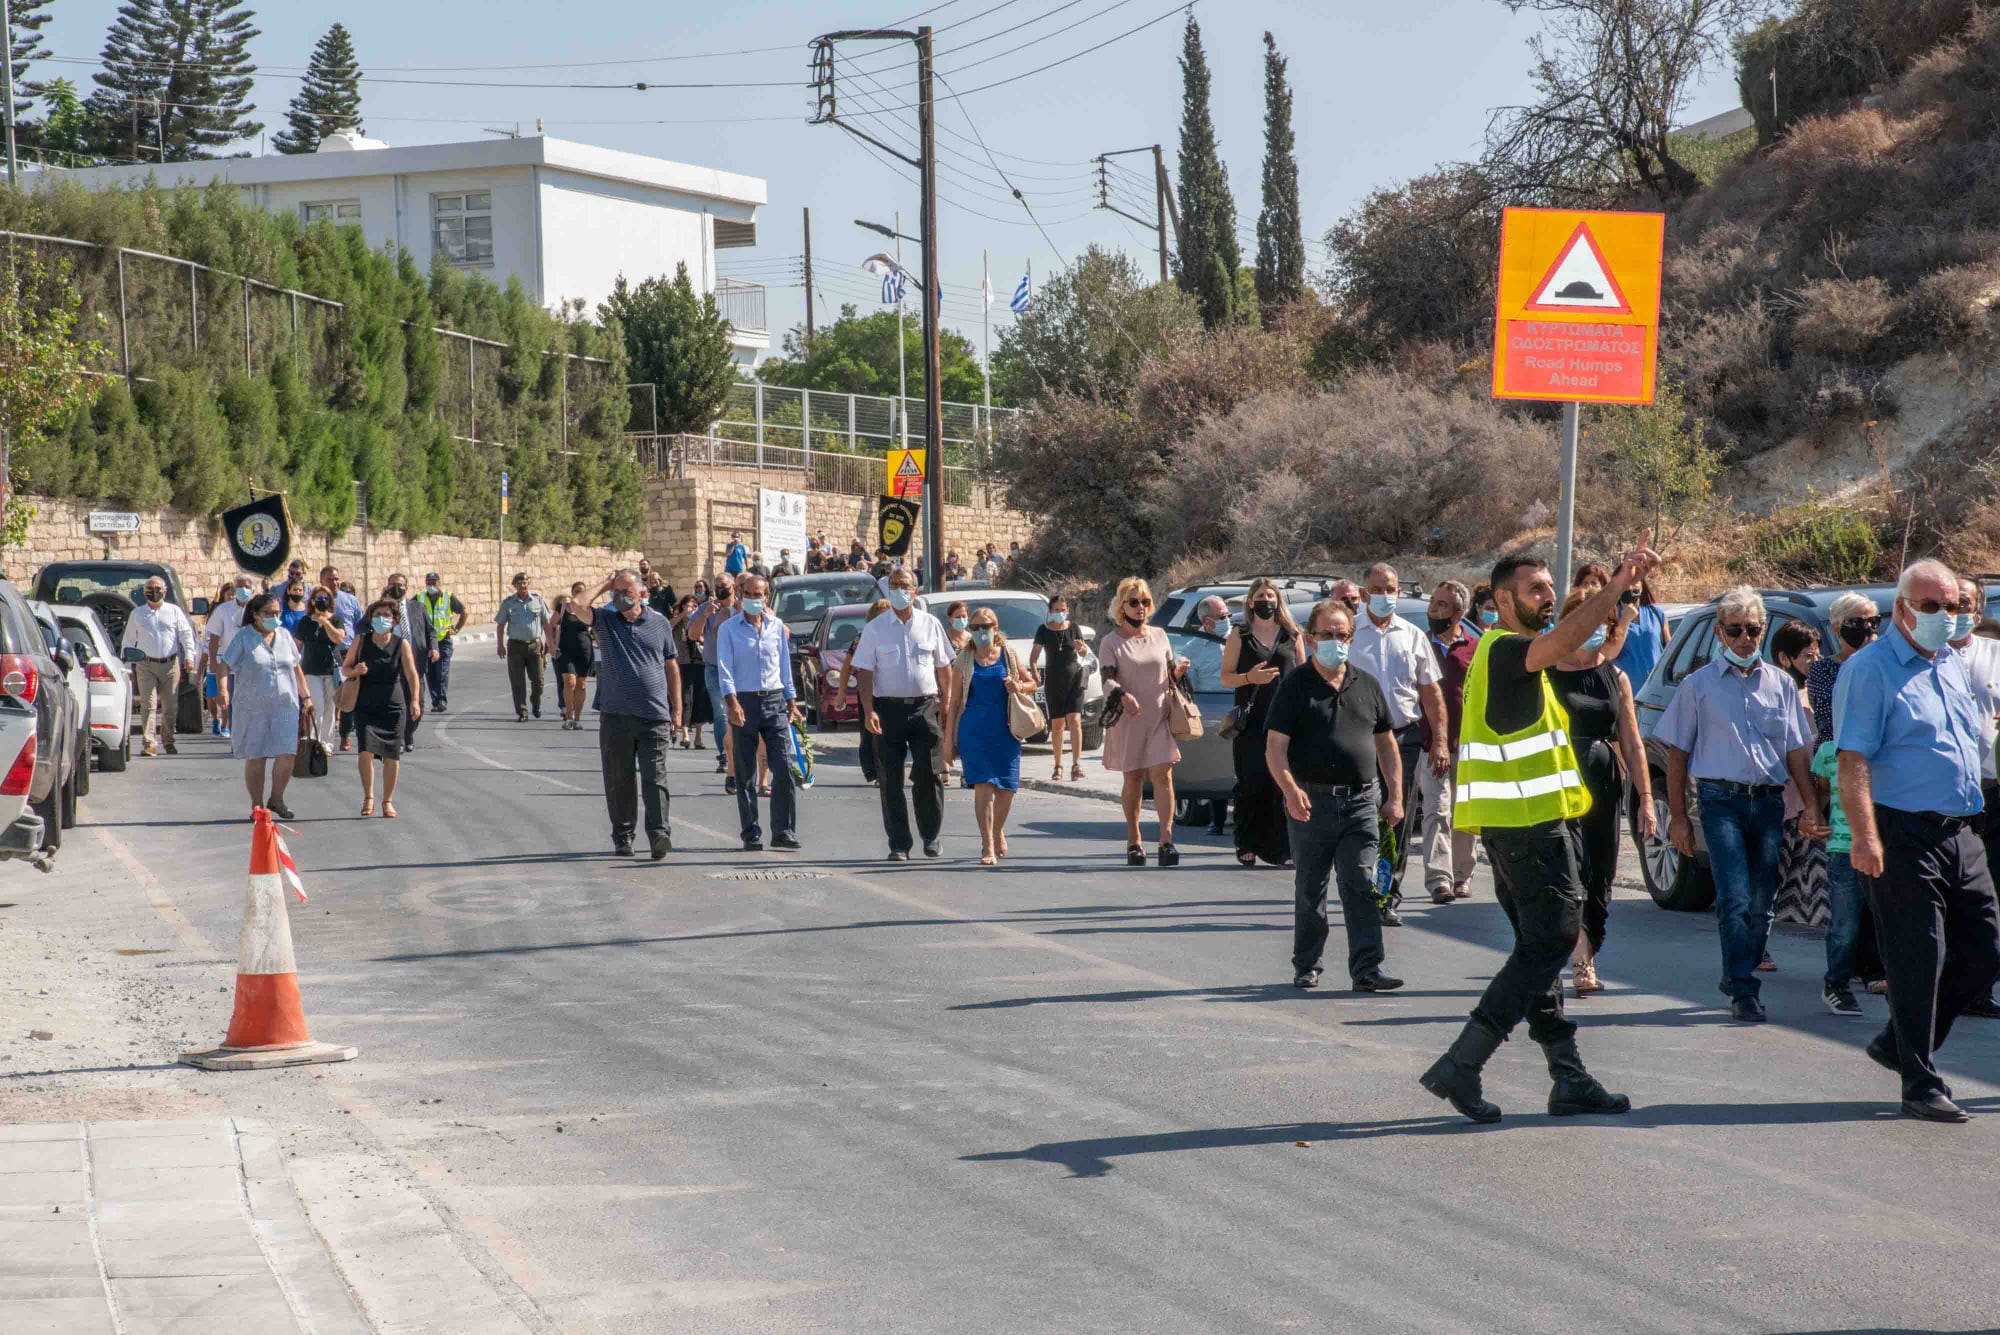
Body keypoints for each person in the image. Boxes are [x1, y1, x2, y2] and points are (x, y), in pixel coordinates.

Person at [1419, 543, 1660, 1124]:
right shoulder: (1507, 651)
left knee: (1541, 947)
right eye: (1536, 590)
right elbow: (1562, 641)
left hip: (1523, 825)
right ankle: (1463, 1063)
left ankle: (1568, 1074)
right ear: (1502, 600)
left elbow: (1581, 651)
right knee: (1551, 941)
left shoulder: (1509, 654)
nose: (1548, 597)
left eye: (1551, 588)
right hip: (1526, 828)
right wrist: (1618, 583)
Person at [1837, 559, 2000, 1123]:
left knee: (1985, 951)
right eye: (1931, 606)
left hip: (1962, 830)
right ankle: (1919, 1082)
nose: (1944, 616)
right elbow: (1852, 758)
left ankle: (1897, 1043)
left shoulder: (1953, 663)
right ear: (1902, 609)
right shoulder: (1870, 669)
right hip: (1901, 831)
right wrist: (1865, 837)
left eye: (1952, 606)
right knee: (1917, 960)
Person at [1657, 585, 1823, 1023]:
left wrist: (1811, 805)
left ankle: (1736, 971)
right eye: (1735, 630)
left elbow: (1795, 751)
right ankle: (1744, 990)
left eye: (1753, 629)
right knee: (1733, 898)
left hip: (1768, 803)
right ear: (1719, 632)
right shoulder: (1698, 686)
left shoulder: (1783, 685)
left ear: (1763, 630)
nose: (1745, 639)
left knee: (1761, 903)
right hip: (1720, 801)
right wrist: (1677, 818)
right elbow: (1677, 754)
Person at [1267, 599, 1404, 992]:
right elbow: (1275, 748)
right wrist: (1290, 791)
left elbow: (1387, 745)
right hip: (1311, 804)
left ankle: (1367, 969)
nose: (1335, 642)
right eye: (1327, 635)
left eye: (1342, 635)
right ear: (1311, 639)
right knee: (1311, 889)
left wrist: (1394, 795)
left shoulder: (1366, 684)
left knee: (1361, 883)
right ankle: (1307, 964)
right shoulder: (1296, 686)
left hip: (1362, 802)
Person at [1547, 588, 1655, 996]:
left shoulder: (1617, 676)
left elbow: (1631, 739)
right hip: (1558, 779)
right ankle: (1580, 961)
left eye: (1603, 624)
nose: (1595, 631)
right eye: (1585, 622)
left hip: (1603, 778)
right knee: (1570, 869)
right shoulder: (1545, 673)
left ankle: (1586, 946)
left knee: (1601, 872)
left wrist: (1646, 799)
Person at [1351, 562, 1449, 923]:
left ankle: (1386, 894)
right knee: (1360, 819)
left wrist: (1439, 741)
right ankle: (1359, 888)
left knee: (1396, 818)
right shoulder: (1349, 635)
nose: (1385, 595)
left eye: (1390, 588)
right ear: (1363, 595)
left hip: (1403, 738)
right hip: (1357, 740)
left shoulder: (1412, 635)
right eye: (1377, 589)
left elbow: (1431, 693)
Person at [571, 570, 683, 859]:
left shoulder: (659, 623)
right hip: (615, 715)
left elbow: (671, 666)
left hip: (654, 714)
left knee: (654, 777)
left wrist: (678, 708)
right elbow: (576, 606)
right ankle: (623, 837)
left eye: (626, 591)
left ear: (641, 593)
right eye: (615, 591)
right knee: (619, 779)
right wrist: (606, 584)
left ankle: (659, 835)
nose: (619, 596)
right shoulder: (606, 621)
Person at [1809, 591, 1888, 1001]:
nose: (1869, 630)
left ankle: (1874, 969)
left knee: (1879, 903)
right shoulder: (1827, 672)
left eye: (1875, 621)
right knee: (1845, 910)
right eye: (1859, 622)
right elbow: (1829, 723)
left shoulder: (1886, 665)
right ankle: (1838, 980)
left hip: (1882, 797)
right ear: (1838, 627)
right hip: (1837, 779)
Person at [850, 568, 955, 860]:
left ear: (915, 591)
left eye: (904, 585)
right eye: (894, 585)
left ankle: (931, 836)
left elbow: (944, 666)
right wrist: (869, 710)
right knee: (890, 778)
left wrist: (946, 703)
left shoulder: (930, 624)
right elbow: (865, 672)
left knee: (929, 774)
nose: (899, 590)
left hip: (925, 708)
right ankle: (899, 843)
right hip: (887, 711)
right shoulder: (875, 628)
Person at [1098, 577, 1190, 867]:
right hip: (1129, 719)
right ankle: (1134, 839)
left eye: (1145, 602)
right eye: (1134, 602)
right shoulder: (1111, 642)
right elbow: (1107, 679)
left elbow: (1168, 673)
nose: (1141, 608)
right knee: (1134, 779)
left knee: (1164, 776)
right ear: (1122, 606)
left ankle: (1166, 840)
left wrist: (1177, 670)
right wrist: (1122, 695)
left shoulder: (1160, 635)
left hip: (1159, 716)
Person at [714, 573, 800, 852]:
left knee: (784, 767)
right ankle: (751, 831)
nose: (753, 599)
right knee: (746, 772)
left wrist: (792, 701)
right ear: (741, 596)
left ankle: (783, 830)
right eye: (748, 594)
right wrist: (732, 703)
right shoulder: (729, 629)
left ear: (767, 597)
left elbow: (784, 666)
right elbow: (725, 670)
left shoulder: (776, 626)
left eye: (759, 594)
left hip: (774, 701)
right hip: (744, 702)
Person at [1947, 575, 2000, 1020]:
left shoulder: (1995, 655)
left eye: (1965, 603)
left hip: (1991, 792)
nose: (1958, 611)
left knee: (1988, 894)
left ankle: (1977, 986)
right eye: (1951, 603)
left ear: (1978, 610)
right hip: (1941, 797)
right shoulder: (1924, 659)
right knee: (1946, 894)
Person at [1218, 578, 1299, 867]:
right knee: (1252, 782)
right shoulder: (1239, 635)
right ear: (1251, 602)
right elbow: (1225, 677)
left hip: (1286, 721)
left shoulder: (1292, 634)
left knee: (1283, 784)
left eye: (1271, 595)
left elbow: (1302, 676)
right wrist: (1250, 678)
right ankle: (1247, 842)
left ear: (1278, 601)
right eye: (1260, 596)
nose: (1266, 600)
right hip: (1252, 722)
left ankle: (1282, 848)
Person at [945, 608, 1036, 864]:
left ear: (995, 628)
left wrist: (1018, 686)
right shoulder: (964, 659)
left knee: (1007, 789)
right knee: (983, 788)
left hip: (1006, 731)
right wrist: (947, 743)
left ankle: (997, 831)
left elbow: (1031, 683)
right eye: (975, 628)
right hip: (974, 731)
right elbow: (953, 705)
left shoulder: (1008, 654)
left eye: (985, 626)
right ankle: (987, 845)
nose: (980, 632)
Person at [217, 592, 310, 821]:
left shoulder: (285, 636)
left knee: (287, 752)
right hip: (252, 707)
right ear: (256, 615)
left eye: (277, 613)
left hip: (285, 705)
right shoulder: (243, 638)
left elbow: (296, 667)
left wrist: (306, 697)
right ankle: (257, 806)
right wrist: (222, 690)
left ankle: (276, 798)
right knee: (257, 755)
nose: (274, 617)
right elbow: (224, 664)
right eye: (269, 613)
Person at [1420, 581, 1480, 903]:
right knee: (1436, 810)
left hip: (1468, 746)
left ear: (1459, 612)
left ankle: (1463, 876)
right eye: (1433, 603)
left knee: (1465, 813)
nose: (1434, 609)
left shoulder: (1475, 646)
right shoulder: (1420, 644)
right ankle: (1439, 880)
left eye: (1442, 605)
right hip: (1430, 745)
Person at [1771, 618, 1825, 970]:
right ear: (1784, 658)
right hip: (1780, 801)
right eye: (1808, 655)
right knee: (1767, 880)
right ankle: (1753, 948)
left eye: (1818, 653)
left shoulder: (1817, 692)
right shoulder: (1774, 692)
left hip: (1815, 800)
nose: (1815, 661)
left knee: (1817, 879)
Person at [341, 598, 420, 818]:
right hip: (366, 704)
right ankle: (369, 797)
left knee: (392, 756)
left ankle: (387, 801)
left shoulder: (401, 644)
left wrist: (414, 700)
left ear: (394, 620)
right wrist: (356, 670)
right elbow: (345, 669)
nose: (381, 619)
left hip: (393, 706)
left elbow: (412, 674)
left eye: (386, 615)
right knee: (365, 752)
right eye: (377, 615)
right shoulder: (361, 641)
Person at [121, 575, 200, 758]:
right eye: (150, 588)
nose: (154, 592)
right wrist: (127, 665)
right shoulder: (138, 614)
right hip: (145, 664)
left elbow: (186, 634)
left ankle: (168, 740)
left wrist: (189, 656)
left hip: (170, 664)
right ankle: (149, 743)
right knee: (148, 705)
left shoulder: (173, 611)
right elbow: (129, 640)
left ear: (165, 591)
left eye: (158, 588)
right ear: (144, 592)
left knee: (170, 706)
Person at [1029, 594, 1089, 784]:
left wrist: (1082, 648)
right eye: (1056, 610)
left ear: (1067, 610)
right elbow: (1034, 656)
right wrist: (1034, 672)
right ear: (1050, 611)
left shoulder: (1074, 629)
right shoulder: (1043, 630)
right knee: (1057, 724)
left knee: (1075, 721)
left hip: (1075, 679)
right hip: (1054, 681)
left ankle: (1076, 764)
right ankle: (1058, 765)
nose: (1060, 613)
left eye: (1063, 610)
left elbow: (1084, 651)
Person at [836, 599, 894, 786]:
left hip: (893, 693)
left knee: (891, 734)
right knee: (872, 734)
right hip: (869, 693)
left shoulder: (898, 634)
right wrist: (842, 692)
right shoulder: (863, 638)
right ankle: (876, 771)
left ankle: (890, 770)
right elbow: (847, 666)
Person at [385, 575, 436, 750]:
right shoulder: (382, 609)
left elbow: (431, 631)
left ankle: (408, 734)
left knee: (418, 703)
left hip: (416, 663)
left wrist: (434, 648)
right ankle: (398, 737)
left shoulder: (418, 607)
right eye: (392, 585)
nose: (396, 588)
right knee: (397, 703)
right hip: (392, 664)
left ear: (406, 588)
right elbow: (364, 626)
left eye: (399, 585)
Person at [494, 572, 550, 721]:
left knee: (538, 680)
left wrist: (550, 643)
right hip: (515, 647)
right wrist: (499, 645)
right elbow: (500, 625)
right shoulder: (508, 603)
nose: (522, 586)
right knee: (518, 681)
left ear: (528, 584)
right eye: (519, 584)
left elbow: (546, 623)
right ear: (515, 586)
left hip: (534, 646)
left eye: (525, 583)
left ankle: (535, 701)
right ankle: (522, 711)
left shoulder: (538, 600)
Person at [205, 575, 256, 738]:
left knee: (253, 702)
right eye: (239, 587)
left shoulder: (258, 608)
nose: (243, 590)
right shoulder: (223, 610)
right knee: (234, 702)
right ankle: (237, 737)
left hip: (254, 665)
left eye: (246, 586)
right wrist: (213, 661)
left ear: (252, 589)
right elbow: (214, 637)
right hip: (231, 666)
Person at [1611, 573, 1670, 693]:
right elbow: (1609, 653)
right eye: (1626, 582)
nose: (1631, 587)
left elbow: (1670, 651)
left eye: (1635, 582)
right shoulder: (1611, 616)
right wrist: (1625, 619)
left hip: (1654, 694)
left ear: (1642, 586)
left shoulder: (1656, 614)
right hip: (1624, 693)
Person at [416, 573, 466, 712]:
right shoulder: (419, 598)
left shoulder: (448, 597)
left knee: (442, 671)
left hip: (443, 640)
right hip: (426, 642)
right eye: (428, 582)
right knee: (430, 673)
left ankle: (442, 700)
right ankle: (435, 701)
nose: (431, 585)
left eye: (434, 582)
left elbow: (463, 612)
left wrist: (456, 629)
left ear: (439, 583)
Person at [551, 581, 596, 731]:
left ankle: (577, 719)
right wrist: (551, 646)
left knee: (581, 685)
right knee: (569, 682)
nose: (579, 593)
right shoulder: (563, 608)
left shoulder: (590, 610)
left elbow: (598, 630)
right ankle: (569, 718)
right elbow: (551, 625)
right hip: (566, 651)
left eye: (582, 591)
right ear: (572, 593)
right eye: (576, 590)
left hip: (584, 651)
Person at [670, 594, 701, 747]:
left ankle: (686, 733)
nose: (692, 608)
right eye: (689, 605)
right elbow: (668, 627)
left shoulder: (698, 621)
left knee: (688, 699)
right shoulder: (677, 622)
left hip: (694, 663)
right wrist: (682, 615)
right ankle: (675, 728)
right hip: (677, 663)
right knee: (676, 698)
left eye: (695, 606)